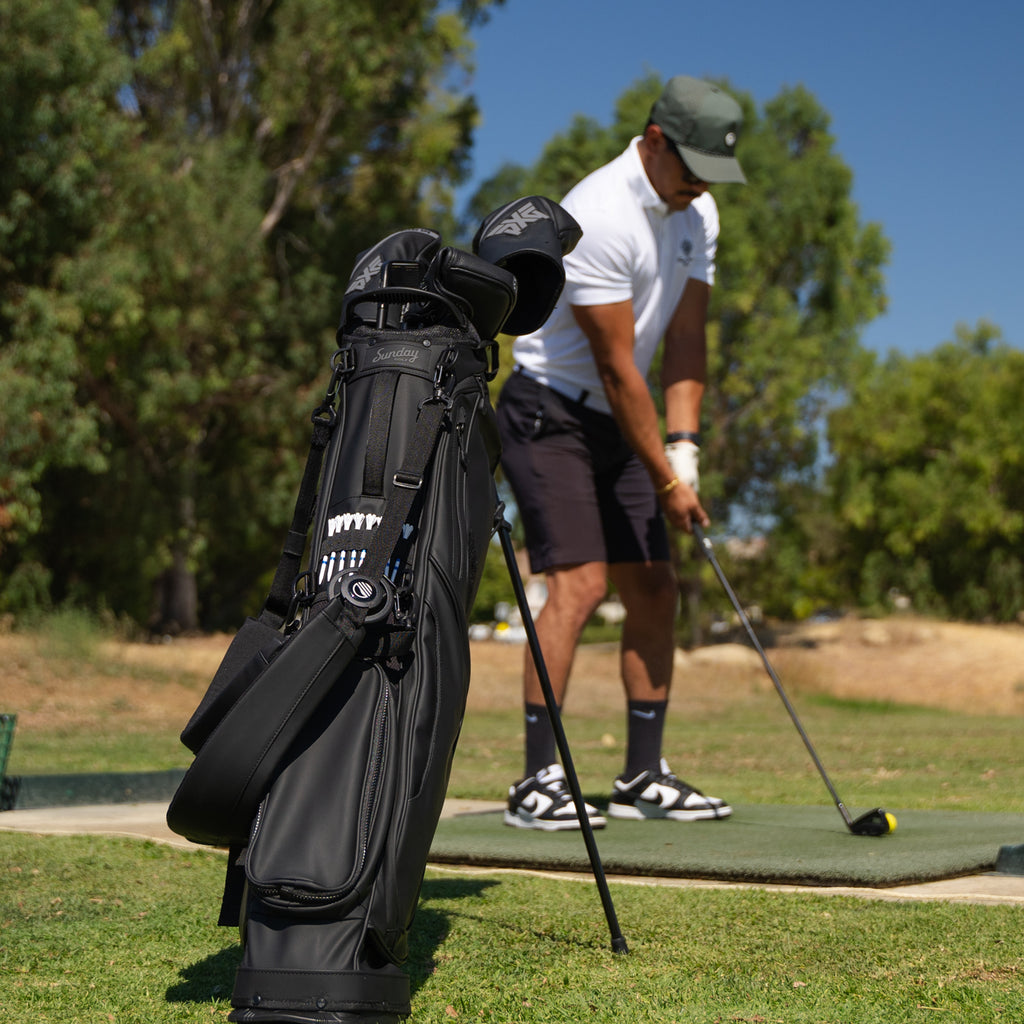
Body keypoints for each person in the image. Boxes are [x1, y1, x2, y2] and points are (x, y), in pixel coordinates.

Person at [497, 75, 746, 831]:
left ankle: (642, 775)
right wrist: (666, 479)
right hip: (552, 413)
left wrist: (685, 449)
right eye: (692, 164)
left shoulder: (696, 210)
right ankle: (537, 781)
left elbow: (685, 338)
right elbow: (614, 366)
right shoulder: (598, 214)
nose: (701, 183)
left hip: (623, 421)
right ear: (656, 139)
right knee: (578, 584)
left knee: (655, 587)